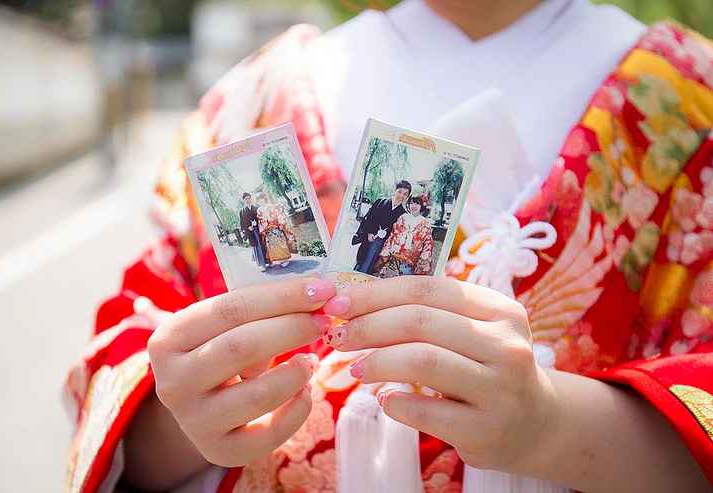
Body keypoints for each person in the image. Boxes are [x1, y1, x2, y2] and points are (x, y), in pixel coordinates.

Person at [64, 1, 713, 492]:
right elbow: (138, 352)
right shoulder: (254, 99)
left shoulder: (691, 102)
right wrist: (187, 415)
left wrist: (549, 424)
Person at [353, 180, 411, 274]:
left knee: (372, 267)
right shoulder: (380, 202)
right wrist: (369, 232)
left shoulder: (403, 214)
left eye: (405, 194)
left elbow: (398, 233)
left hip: (384, 246)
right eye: (399, 192)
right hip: (370, 238)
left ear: (407, 197)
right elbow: (368, 218)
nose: (401, 196)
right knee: (362, 262)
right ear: (395, 191)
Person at [374, 195, 434, 277]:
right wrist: (386, 253)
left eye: (417, 203)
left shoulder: (425, 224)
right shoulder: (402, 218)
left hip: (409, 264)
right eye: (411, 203)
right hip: (393, 259)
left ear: (422, 206)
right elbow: (392, 236)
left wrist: (422, 263)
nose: (413, 206)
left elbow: (428, 245)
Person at [257, 194, 293, 268]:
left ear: (264, 199)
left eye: (262, 198)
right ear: (258, 201)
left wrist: (278, 222)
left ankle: (285, 259)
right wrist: (265, 224)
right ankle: (278, 259)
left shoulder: (270, 206)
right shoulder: (259, 210)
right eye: (259, 200)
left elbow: (277, 214)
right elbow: (260, 220)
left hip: (274, 226)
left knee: (280, 242)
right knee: (272, 246)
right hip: (267, 229)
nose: (261, 201)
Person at [238, 192, 269, 271]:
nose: (248, 200)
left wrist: (259, 224)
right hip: (251, 232)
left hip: (259, 229)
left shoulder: (256, 208)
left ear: (251, 199)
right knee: (257, 247)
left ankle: (268, 261)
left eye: (249, 198)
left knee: (263, 245)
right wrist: (248, 227)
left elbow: (261, 218)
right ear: (243, 200)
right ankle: (262, 264)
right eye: (246, 199)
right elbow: (242, 223)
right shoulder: (242, 211)